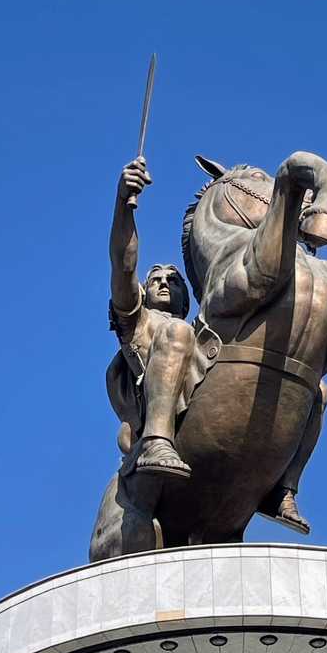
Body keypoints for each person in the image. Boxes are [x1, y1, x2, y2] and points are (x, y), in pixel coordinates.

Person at [106, 156, 196, 478]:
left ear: (186, 300)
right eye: (155, 278)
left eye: (173, 279)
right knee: (176, 332)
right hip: (152, 425)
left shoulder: (204, 332)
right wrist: (122, 203)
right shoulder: (138, 321)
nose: (162, 281)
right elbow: (123, 264)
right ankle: (158, 440)